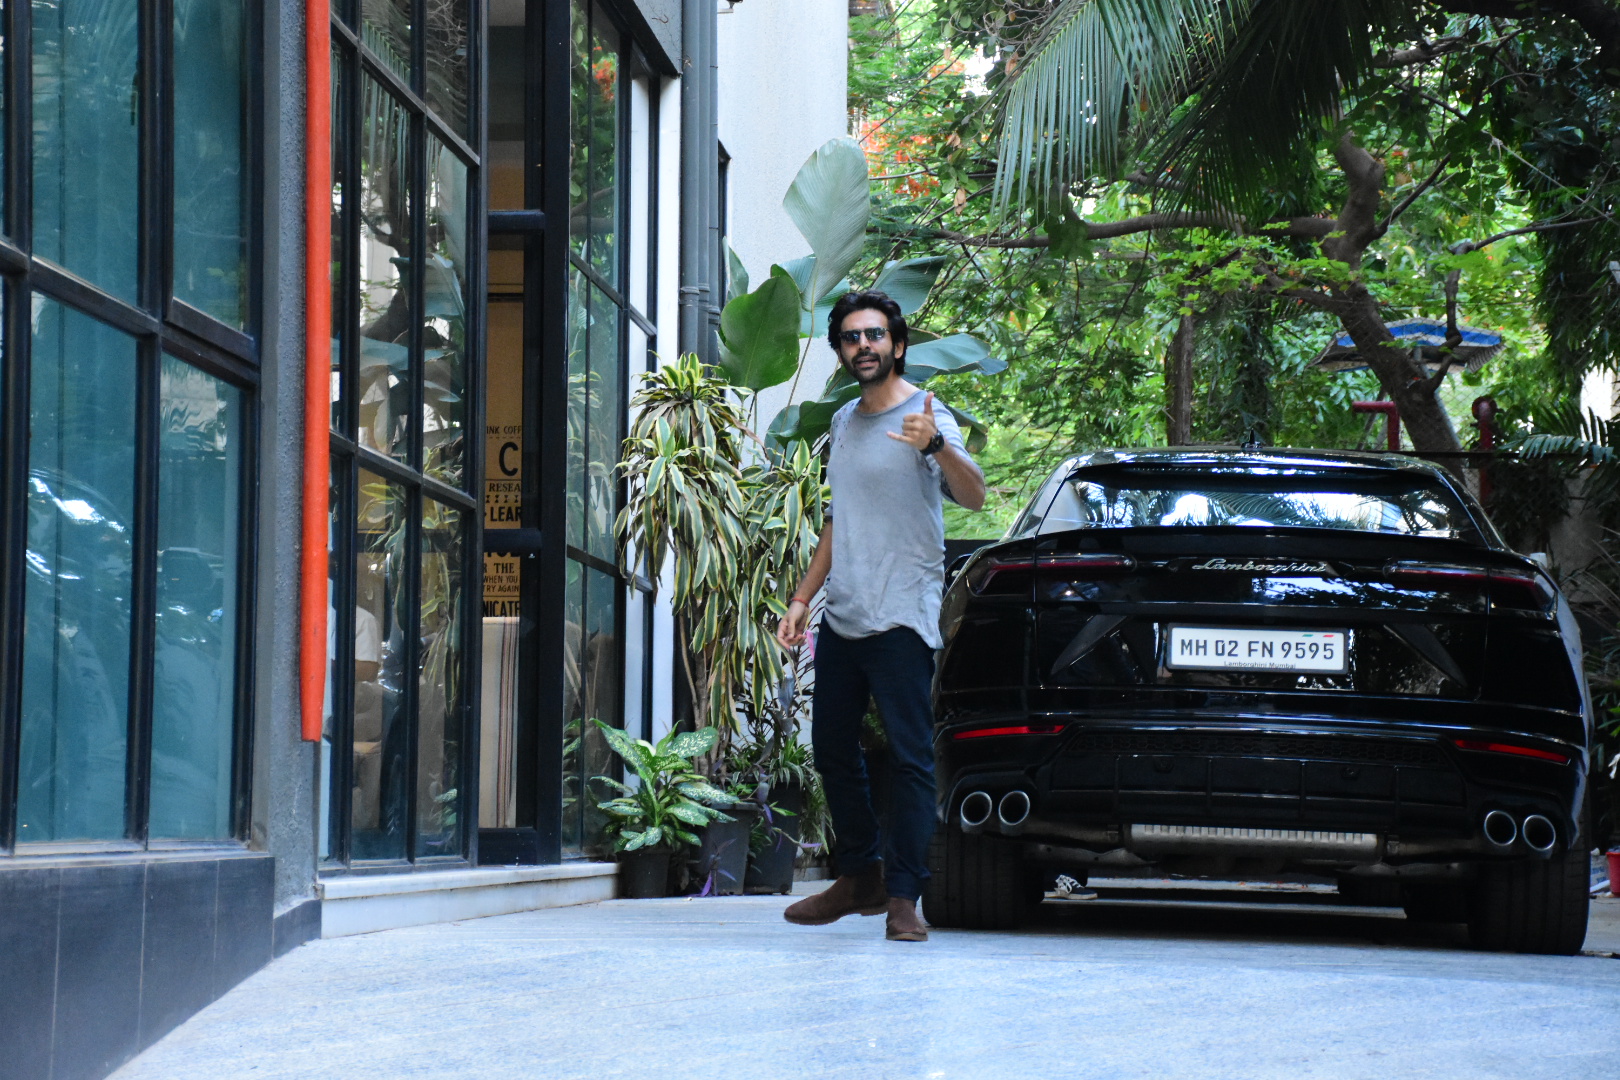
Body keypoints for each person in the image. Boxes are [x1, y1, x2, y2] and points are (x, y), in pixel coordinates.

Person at [777, 289, 985, 942]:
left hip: (902, 614)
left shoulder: (927, 411)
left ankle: (903, 898)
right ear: (841, 350)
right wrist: (802, 598)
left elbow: (975, 496)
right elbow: (839, 522)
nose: (862, 345)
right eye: (850, 337)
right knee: (831, 749)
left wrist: (936, 448)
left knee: (910, 756)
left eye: (874, 335)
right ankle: (860, 875)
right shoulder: (842, 423)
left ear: (896, 345)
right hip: (845, 612)